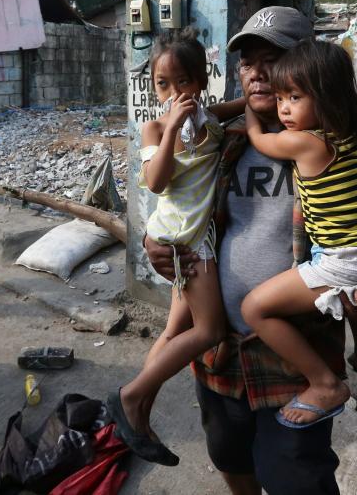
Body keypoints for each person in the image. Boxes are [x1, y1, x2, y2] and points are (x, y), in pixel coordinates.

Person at [144, 7, 357, 494]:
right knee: (230, 459)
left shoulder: (353, 146)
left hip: (296, 361)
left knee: (296, 479)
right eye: (247, 62)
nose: (256, 72)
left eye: (272, 59)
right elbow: (173, 205)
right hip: (221, 354)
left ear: (304, 66)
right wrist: (154, 243)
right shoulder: (217, 144)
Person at [240, 42, 357, 428]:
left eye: (293, 96)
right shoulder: (355, 135)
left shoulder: (308, 142)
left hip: (345, 257)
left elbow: (261, 140)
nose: (283, 108)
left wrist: (247, 111)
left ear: (327, 95)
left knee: (254, 309)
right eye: (279, 98)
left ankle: (324, 383)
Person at [108, 28, 245, 466]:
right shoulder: (153, 127)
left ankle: (139, 415)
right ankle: (131, 397)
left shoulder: (209, 119)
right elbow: (156, 180)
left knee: (173, 331)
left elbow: (244, 105)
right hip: (182, 240)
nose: (173, 91)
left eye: (182, 82)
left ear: (201, 82)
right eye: (162, 83)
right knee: (209, 332)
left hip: (194, 232)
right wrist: (169, 129)